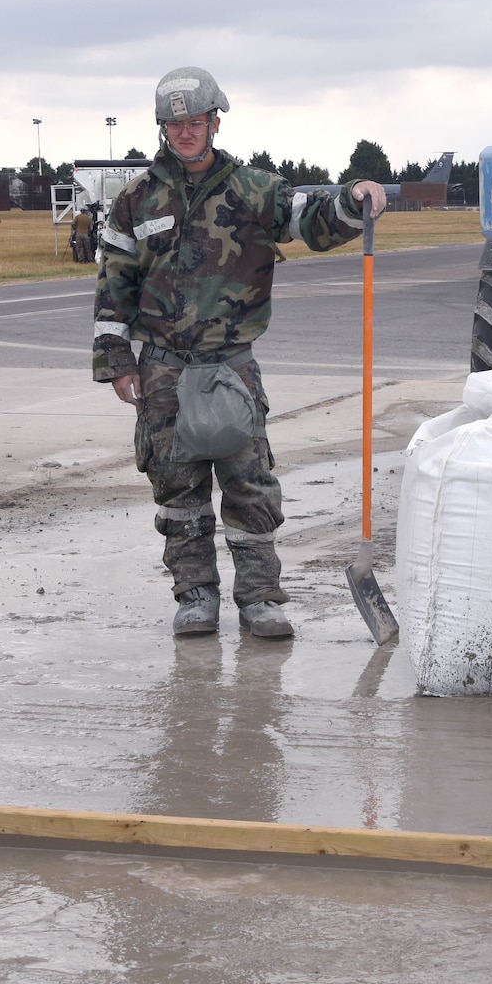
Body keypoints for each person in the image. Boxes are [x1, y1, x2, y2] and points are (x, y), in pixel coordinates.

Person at [92, 67, 388, 639]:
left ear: (214, 122)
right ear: (163, 128)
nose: (184, 132)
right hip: (161, 371)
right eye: (174, 123)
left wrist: (353, 198)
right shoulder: (135, 199)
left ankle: (260, 599)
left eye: (194, 121)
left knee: (249, 486)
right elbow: (113, 285)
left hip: (230, 367)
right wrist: (117, 361)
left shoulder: (253, 189)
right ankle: (195, 597)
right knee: (178, 492)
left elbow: (310, 218)